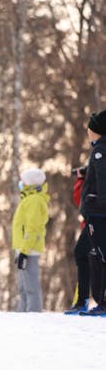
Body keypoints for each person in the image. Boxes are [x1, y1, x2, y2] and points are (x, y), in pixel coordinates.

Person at [79, 110, 106, 316]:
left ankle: (103, 302)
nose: (87, 131)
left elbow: (102, 181)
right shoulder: (99, 150)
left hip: (99, 213)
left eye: (90, 127)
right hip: (97, 211)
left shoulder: (100, 152)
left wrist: (96, 205)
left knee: (102, 256)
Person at [12, 168, 50, 312]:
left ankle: (33, 313)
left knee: (30, 285)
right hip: (22, 247)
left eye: (23, 180)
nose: (21, 183)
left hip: (29, 248)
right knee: (23, 286)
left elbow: (32, 227)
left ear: (30, 183)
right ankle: (22, 313)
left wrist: (24, 251)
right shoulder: (28, 199)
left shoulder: (34, 200)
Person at [64, 166, 98, 314]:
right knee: (83, 255)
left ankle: (88, 300)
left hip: (98, 219)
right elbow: (80, 201)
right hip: (91, 219)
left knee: (91, 257)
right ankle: (83, 300)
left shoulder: (100, 158)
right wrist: (80, 179)